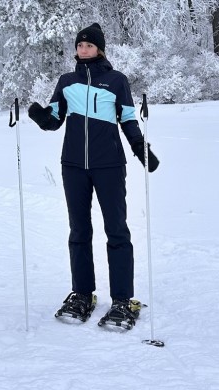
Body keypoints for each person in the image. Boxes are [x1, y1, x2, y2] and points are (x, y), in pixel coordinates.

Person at [27, 22, 159, 326]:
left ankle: (122, 300)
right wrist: (39, 116)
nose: (83, 49)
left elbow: (127, 120)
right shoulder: (66, 82)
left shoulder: (116, 81)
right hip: (73, 165)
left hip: (109, 165)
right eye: (80, 45)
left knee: (116, 230)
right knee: (79, 231)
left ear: (99, 48)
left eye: (89, 45)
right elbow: (54, 121)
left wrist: (142, 150)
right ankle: (82, 294)